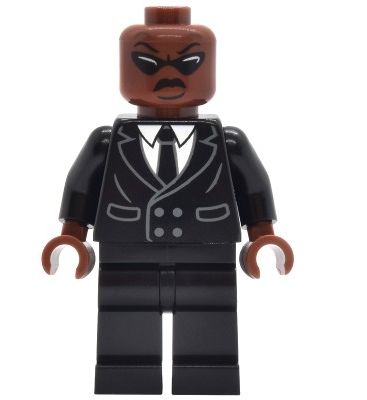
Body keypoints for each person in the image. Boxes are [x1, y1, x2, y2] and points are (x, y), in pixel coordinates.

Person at [42, 6, 294, 395]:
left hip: (208, 249)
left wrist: (263, 236)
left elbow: (253, 187)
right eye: (148, 63)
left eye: (189, 63)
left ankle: (207, 375)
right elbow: (81, 188)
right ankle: (127, 375)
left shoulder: (227, 141)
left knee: (209, 315)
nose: (169, 76)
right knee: (124, 316)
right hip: (125, 248)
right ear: (127, 66)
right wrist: (71, 236)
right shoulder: (108, 140)